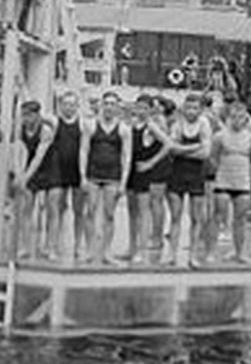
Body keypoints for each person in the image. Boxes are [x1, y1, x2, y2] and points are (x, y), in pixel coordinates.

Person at [82, 90, 132, 264]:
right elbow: (84, 151)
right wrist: (82, 176)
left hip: (113, 176)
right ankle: (89, 249)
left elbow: (127, 156)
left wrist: (124, 182)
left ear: (118, 107)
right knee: (90, 211)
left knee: (109, 214)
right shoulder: (91, 125)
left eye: (112, 104)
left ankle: (106, 251)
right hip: (93, 174)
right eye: (106, 104)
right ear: (102, 106)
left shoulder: (124, 129)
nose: (109, 107)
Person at [212, 102, 251, 264]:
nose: (237, 120)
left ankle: (239, 252)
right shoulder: (220, 136)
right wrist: (219, 169)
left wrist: (248, 172)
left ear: (245, 118)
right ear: (229, 118)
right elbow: (212, 156)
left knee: (240, 218)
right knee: (218, 215)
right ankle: (210, 251)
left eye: (240, 117)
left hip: (242, 183)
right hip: (223, 181)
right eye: (233, 117)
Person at [165, 91, 212, 266]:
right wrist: (195, 146)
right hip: (177, 174)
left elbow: (205, 154)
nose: (191, 111)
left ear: (200, 110)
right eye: (188, 107)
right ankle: (172, 254)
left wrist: (182, 149)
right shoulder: (177, 124)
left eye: (195, 108)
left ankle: (193, 255)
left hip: (196, 175)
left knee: (196, 218)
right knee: (175, 216)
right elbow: (171, 149)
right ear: (183, 109)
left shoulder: (204, 124)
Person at [126, 95, 172, 264]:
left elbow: (168, 144)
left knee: (144, 211)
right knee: (132, 212)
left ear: (150, 109)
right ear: (135, 108)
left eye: (145, 108)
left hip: (143, 171)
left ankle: (141, 249)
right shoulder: (131, 125)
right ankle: (131, 247)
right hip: (131, 170)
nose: (141, 111)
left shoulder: (151, 126)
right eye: (139, 107)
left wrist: (151, 163)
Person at [43, 89, 86, 264]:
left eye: (72, 104)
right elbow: (34, 109)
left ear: (77, 106)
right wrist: (22, 87)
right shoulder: (55, 122)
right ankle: (51, 246)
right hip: (57, 170)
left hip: (76, 170)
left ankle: (77, 246)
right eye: (65, 104)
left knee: (79, 211)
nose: (68, 107)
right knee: (55, 210)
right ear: (60, 106)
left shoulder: (83, 125)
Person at [11, 98, 55, 259]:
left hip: (48, 169)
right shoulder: (20, 129)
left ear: (37, 115)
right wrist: (18, 174)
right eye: (23, 116)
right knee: (26, 209)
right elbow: (17, 151)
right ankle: (25, 246)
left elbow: (39, 156)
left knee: (46, 209)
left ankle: (48, 246)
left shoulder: (46, 131)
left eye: (29, 116)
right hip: (28, 168)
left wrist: (25, 177)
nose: (25, 119)